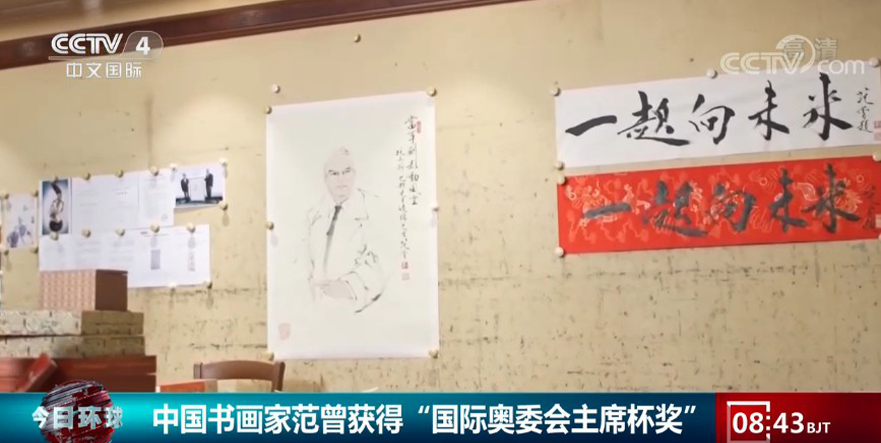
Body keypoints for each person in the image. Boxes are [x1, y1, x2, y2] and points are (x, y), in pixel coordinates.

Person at [294, 148, 386, 313]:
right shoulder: (313, 215)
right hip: (316, 311)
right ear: (325, 179)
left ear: (354, 174)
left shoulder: (374, 208)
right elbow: (301, 262)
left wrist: (348, 287)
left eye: (346, 172)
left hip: (358, 310)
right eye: (334, 173)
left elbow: (382, 263)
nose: (341, 179)